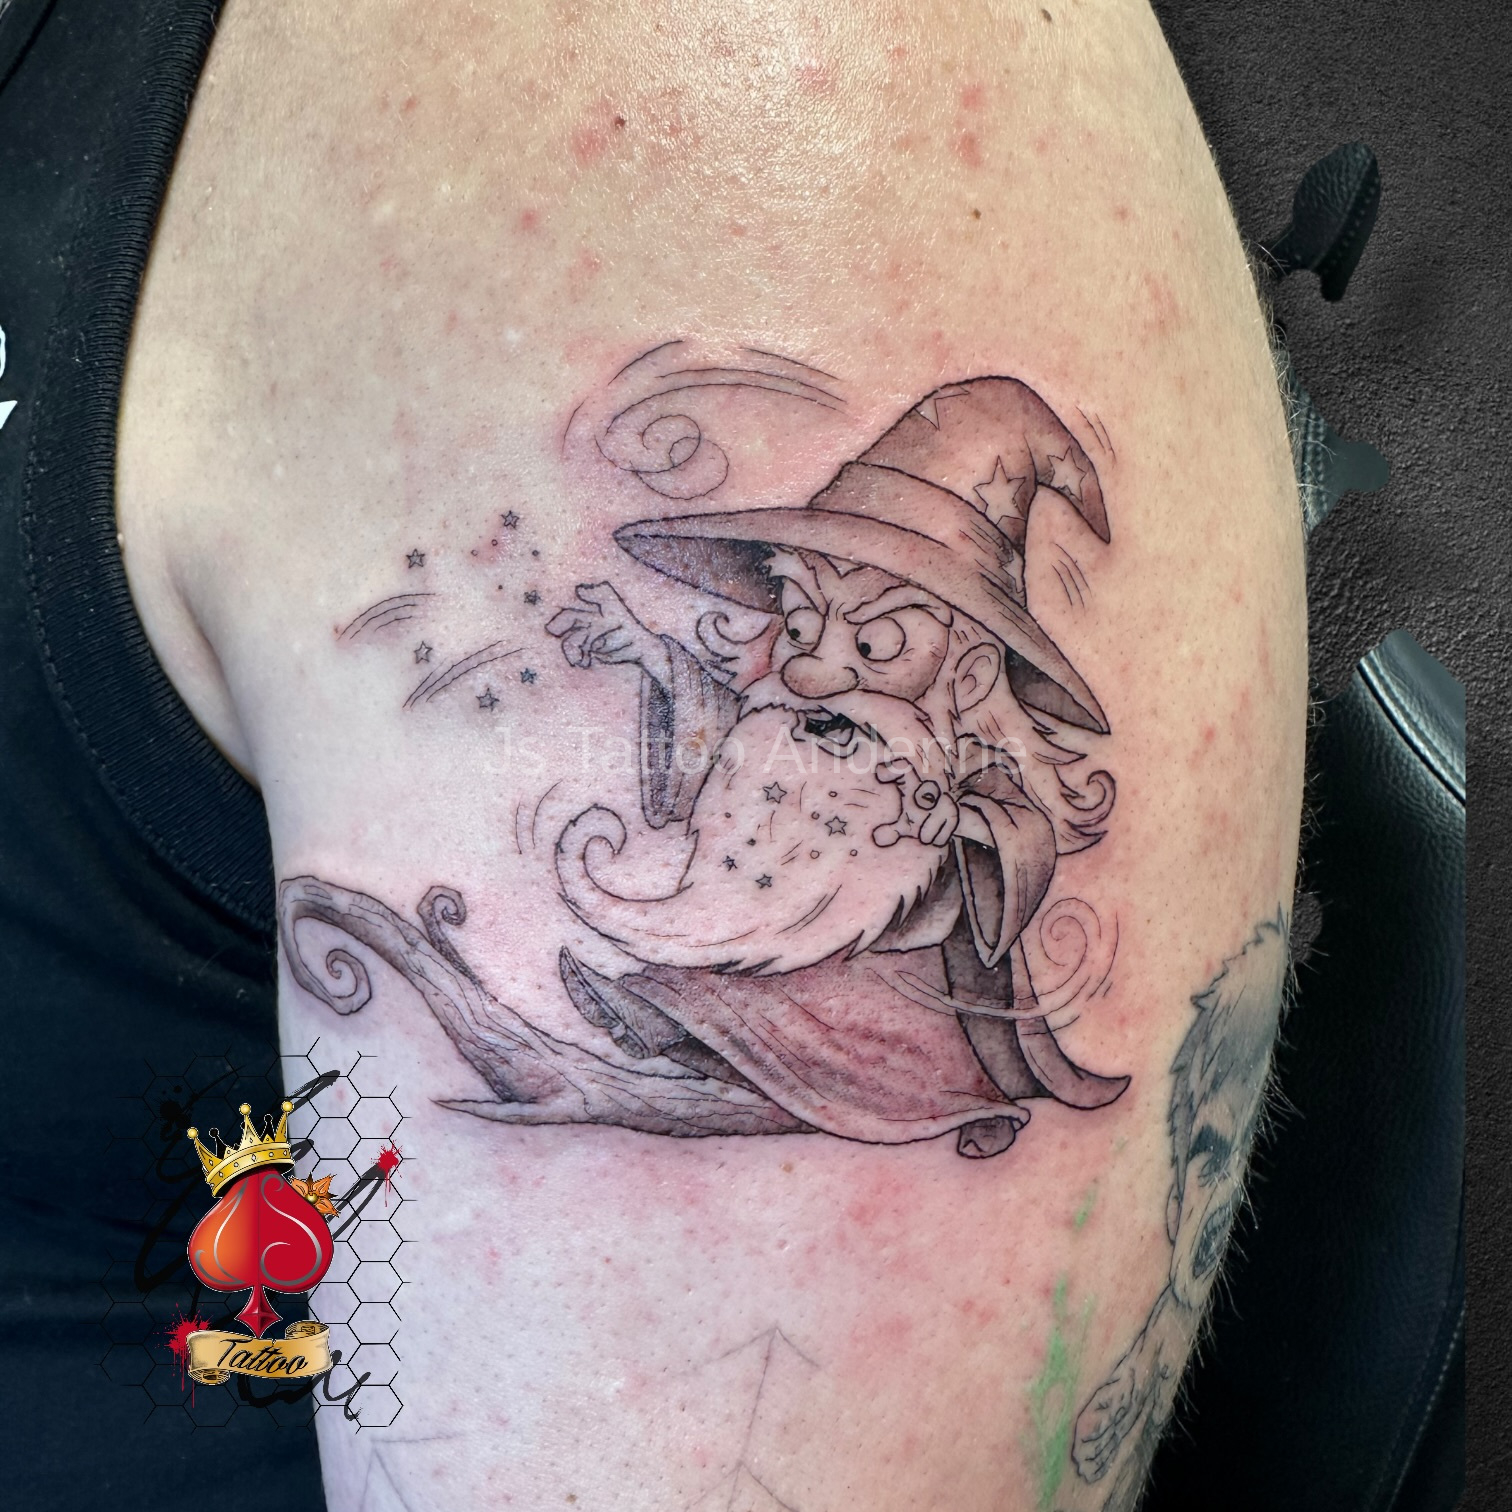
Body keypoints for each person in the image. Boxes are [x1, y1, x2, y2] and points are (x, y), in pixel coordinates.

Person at [106, 2, 1308, 1507]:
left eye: (880, 637)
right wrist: (656, 675)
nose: (819, 666)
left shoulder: (750, 85)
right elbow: (711, 806)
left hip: (872, 1036)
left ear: (964, 661)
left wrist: (940, 810)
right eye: (806, 617)